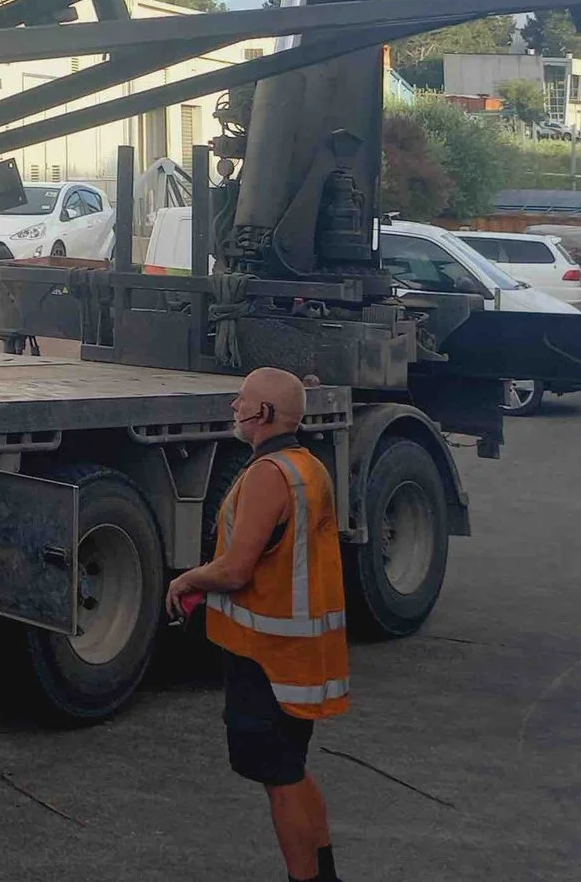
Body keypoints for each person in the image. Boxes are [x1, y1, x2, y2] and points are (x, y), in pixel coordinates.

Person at [164, 367, 347, 882]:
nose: (233, 407)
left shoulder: (269, 475)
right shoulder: (307, 467)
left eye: (240, 399)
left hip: (264, 655)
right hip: (295, 655)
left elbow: (237, 568)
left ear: (262, 414)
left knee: (279, 778)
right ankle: (325, 873)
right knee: (292, 767)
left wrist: (185, 580)